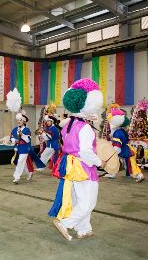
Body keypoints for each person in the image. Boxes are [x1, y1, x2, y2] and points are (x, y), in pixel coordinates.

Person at [48, 78, 106, 241]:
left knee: (79, 199)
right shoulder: (85, 127)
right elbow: (86, 152)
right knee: (88, 202)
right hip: (83, 167)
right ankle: (66, 223)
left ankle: (84, 229)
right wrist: (100, 162)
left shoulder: (68, 124)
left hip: (70, 165)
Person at [104, 105, 144, 182]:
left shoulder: (117, 133)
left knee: (131, 165)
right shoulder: (120, 130)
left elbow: (117, 146)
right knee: (125, 163)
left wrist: (113, 152)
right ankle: (112, 173)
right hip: (125, 149)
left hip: (125, 151)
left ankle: (139, 175)